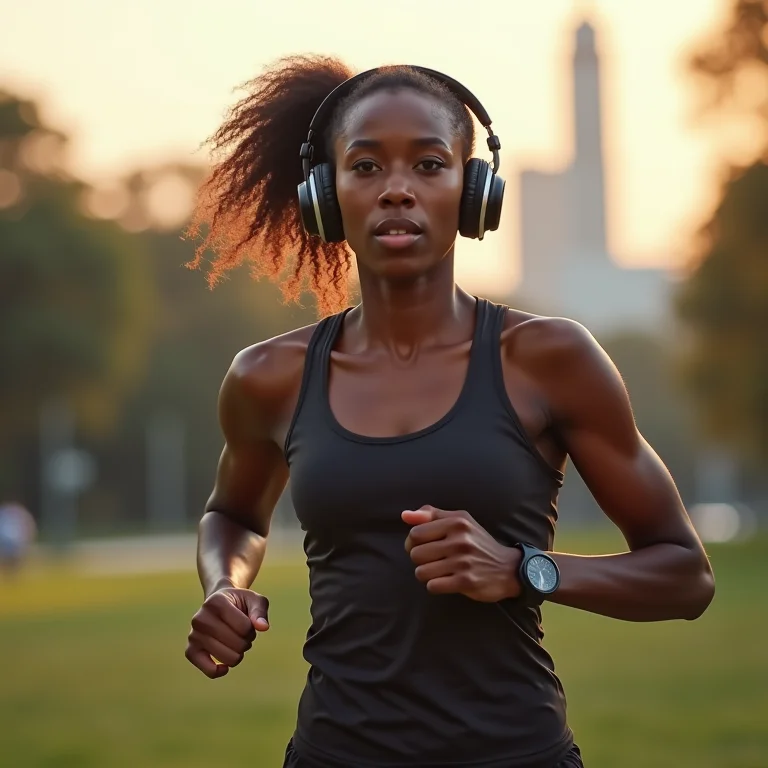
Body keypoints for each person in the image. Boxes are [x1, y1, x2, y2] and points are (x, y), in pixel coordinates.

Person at [183, 56, 715, 768]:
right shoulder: (267, 377)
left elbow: (685, 575)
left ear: (473, 193)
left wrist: (525, 569)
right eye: (366, 167)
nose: (397, 189)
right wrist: (226, 586)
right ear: (325, 192)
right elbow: (235, 516)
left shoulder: (549, 358)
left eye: (429, 165)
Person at [0, 500, 36, 577]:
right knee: (9, 559)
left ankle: (11, 574)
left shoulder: (18, 514)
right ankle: (10, 574)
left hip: (14, 541)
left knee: (12, 560)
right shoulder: (6, 513)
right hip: (10, 541)